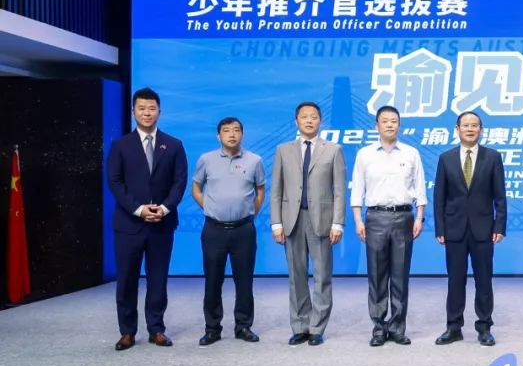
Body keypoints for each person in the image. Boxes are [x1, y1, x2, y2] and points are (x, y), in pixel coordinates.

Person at [106, 87, 188, 350]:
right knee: (126, 279)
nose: (147, 113)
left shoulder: (174, 145)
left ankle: (156, 329)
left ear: (159, 112)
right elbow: (115, 182)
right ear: (134, 111)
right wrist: (139, 209)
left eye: (152, 108)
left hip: (162, 224)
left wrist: (164, 208)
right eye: (141, 108)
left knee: (158, 279)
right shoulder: (120, 145)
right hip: (129, 224)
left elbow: (179, 182)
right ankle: (127, 331)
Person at [270, 102, 346, 347]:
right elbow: (276, 190)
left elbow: (339, 191)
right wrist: (276, 223)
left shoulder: (333, 150)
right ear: (297, 121)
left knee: (322, 276)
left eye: (314, 117)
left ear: (320, 121)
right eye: (304, 117)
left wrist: (337, 223)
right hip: (292, 220)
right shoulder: (283, 150)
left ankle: (317, 328)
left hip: (321, 220)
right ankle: (300, 326)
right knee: (296, 276)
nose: (309, 120)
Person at [351, 106, 427, 347]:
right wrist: (358, 220)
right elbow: (357, 190)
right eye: (385, 121)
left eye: (394, 121)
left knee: (400, 275)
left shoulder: (411, 153)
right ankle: (378, 327)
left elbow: (420, 188)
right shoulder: (365, 154)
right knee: (376, 275)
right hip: (375, 218)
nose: (390, 125)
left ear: (399, 125)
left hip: (404, 218)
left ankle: (397, 328)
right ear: (376, 125)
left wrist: (419, 217)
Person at [433, 111, 507, 347]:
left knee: (484, 281)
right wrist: (440, 228)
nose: (470, 129)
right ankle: (453, 327)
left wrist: (499, 225)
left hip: (484, 229)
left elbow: (500, 196)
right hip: (454, 229)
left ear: (481, 130)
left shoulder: (492, 157)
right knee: (455, 281)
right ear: (457, 129)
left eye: (474, 125)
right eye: (465, 125)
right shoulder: (446, 158)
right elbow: (439, 197)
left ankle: (484, 327)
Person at [191, 117, 266, 346]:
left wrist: (249, 213)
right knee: (213, 281)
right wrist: (210, 208)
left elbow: (260, 191)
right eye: (226, 130)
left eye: (236, 130)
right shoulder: (206, 159)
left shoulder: (255, 160)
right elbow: (196, 188)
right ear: (218, 136)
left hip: (243, 230)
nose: (231, 134)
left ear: (242, 134)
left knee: (244, 281)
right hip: (214, 229)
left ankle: (243, 326)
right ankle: (212, 328)